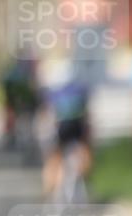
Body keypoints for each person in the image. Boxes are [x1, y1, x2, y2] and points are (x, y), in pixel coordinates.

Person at [39, 60, 92, 201]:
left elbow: (47, 116)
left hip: (59, 129)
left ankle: (50, 189)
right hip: (77, 129)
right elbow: (87, 115)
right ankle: (85, 181)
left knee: (54, 158)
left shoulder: (51, 93)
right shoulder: (80, 90)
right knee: (83, 153)